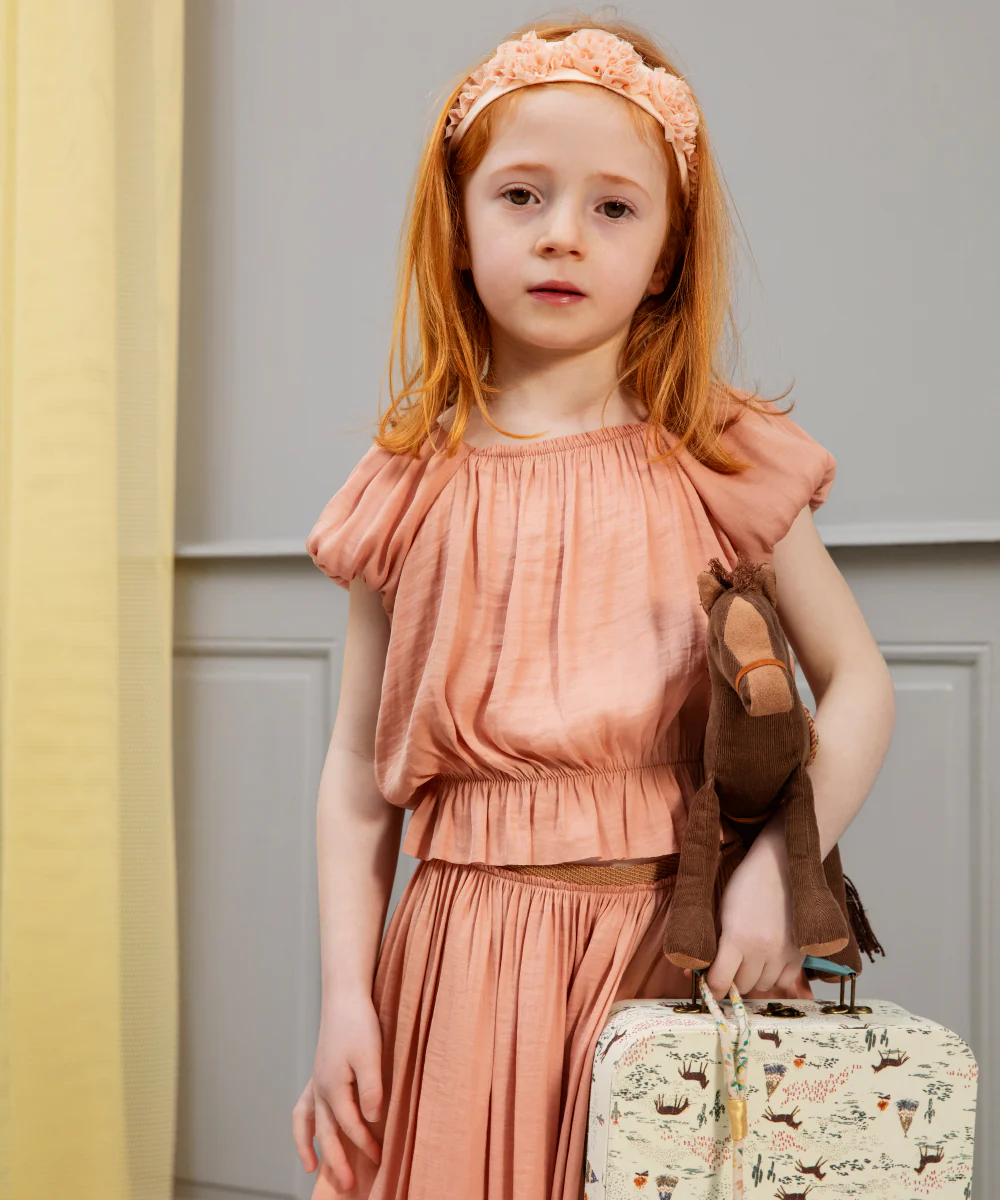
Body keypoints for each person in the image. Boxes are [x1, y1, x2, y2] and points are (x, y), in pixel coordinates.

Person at [291, 18, 896, 1200]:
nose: (562, 232)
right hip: (461, 964)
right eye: (521, 194)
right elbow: (358, 772)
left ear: (666, 255)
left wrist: (778, 871)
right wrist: (345, 1000)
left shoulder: (719, 455)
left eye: (614, 207)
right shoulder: (406, 482)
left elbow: (860, 683)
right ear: (458, 226)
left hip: (674, 950)